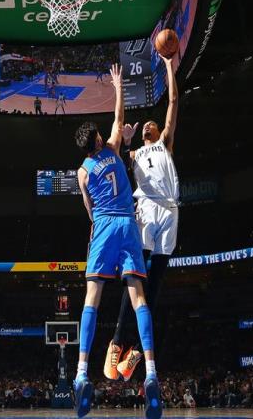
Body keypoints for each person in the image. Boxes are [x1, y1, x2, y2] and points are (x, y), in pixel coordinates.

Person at [73, 64, 161, 419]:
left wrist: (97, 223)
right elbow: (119, 116)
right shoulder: (112, 147)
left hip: (104, 227)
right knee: (139, 299)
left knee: (92, 300)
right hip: (128, 225)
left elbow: (88, 208)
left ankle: (81, 373)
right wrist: (118, 86)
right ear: (98, 139)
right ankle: (151, 371)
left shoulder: (82, 172)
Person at [104, 53, 179, 382]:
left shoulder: (165, 143)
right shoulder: (134, 152)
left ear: (159, 130)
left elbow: (173, 101)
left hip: (170, 210)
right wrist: (126, 140)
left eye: (153, 123)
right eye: (145, 125)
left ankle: (134, 349)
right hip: (145, 208)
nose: (149, 124)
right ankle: (117, 341)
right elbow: (116, 159)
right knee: (137, 276)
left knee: (156, 281)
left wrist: (168, 67)